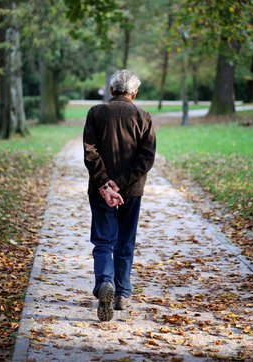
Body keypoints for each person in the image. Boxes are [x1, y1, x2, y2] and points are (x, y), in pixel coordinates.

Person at [83, 70, 156, 322]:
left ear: (112, 90)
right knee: (125, 240)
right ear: (134, 93)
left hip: (100, 190)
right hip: (132, 190)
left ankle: (105, 282)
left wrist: (105, 184)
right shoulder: (144, 117)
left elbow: (90, 152)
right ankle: (122, 293)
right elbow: (146, 158)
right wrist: (121, 184)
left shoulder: (96, 113)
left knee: (103, 241)